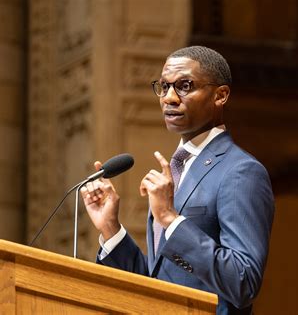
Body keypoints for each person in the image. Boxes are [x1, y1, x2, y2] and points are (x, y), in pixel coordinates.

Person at [80, 46, 275, 314]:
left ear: (221, 95)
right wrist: (112, 230)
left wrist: (172, 220)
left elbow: (243, 282)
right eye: (163, 86)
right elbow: (157, 284)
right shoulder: (176, 170)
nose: (169, 98)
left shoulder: (241, 172)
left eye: (185, 86)